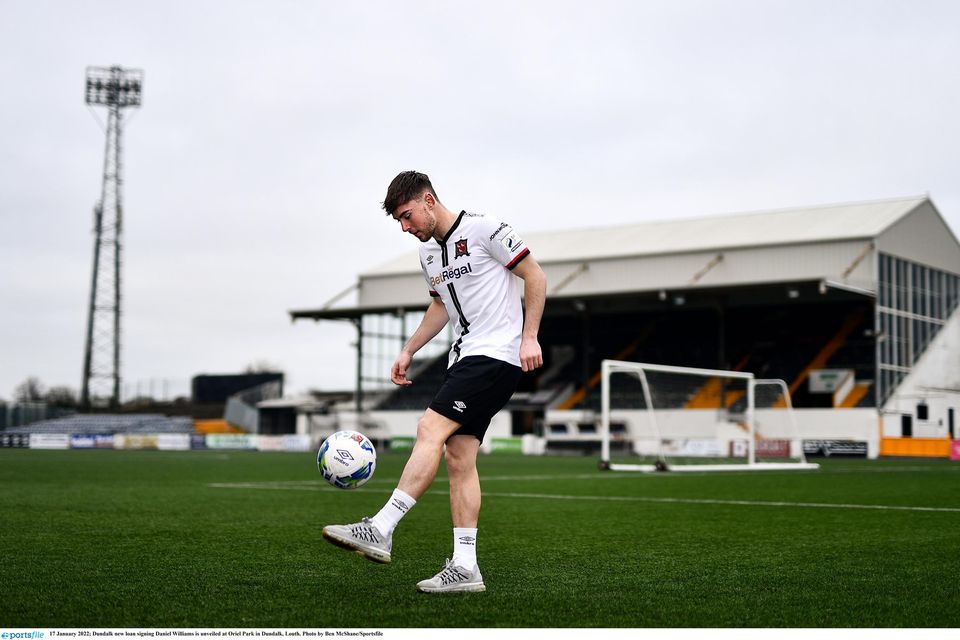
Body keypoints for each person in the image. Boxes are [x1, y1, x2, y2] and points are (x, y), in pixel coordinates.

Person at [322, 171, 547, 593]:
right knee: (459, 458)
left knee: (429, 428)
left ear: (428, 200)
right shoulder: (429, 255)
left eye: (407, 217)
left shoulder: (486, 229)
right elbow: (440, 308)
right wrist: (409, 350)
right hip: (466, 356)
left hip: (494, 353)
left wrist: (529, 336)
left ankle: (381, 528)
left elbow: (535, 276)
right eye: (399, 223)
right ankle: (465, 568)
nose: (407, 228)